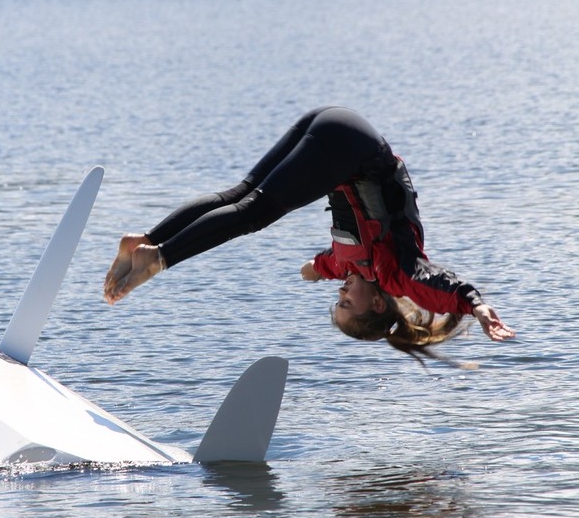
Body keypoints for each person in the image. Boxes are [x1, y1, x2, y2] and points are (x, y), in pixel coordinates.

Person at [104, 106, 515, 360]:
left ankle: (145, 241)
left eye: (337, 300)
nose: (341, 293)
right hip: (350, 147)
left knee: (241, 194)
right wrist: (474, 305)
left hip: (332, 125)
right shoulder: (396, 272)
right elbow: (436, 286)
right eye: (346, 303)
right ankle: (158, 259)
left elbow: (317, 267)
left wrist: (317, 272)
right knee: (253, 213)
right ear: (376, 304)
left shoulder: (347, 267)